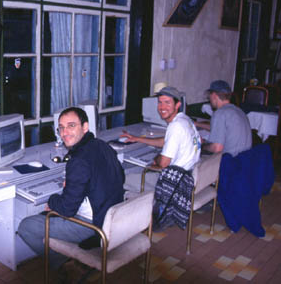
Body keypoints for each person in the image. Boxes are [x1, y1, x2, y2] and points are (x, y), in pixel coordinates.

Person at [18, 107, 125, 271]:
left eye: (71, 126)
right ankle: (64, 256)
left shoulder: (78, 160)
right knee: (50, 212)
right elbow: (121, 176)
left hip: (93, 226)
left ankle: (59, 262)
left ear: (85, 127)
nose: (64, 132)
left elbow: (67, 209)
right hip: (112, 216)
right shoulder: (102, 146)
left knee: (27, 226)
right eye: (61, 127)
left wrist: (52, 201)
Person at [120, 86, 201, 171]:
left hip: (177, 179)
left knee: (128, 176)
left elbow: (163, 164)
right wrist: (137, 138)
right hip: (190, 173)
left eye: (167, 102)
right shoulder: (185, 119)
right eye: (160, 102)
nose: (162, 107)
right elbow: (166, 141)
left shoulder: (175, 126)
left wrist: (156, 159)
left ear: (177, 105)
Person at [196, 80, 252, 156]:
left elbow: (217, 148)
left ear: (214, 95)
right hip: (244, 161)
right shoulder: (238, 111)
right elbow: (219, 128)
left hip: (230, 162)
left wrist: (202, 145)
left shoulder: (220, 113)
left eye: (209, 96)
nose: (209, 99)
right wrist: (196, 124)